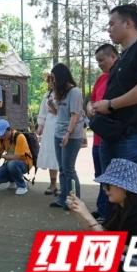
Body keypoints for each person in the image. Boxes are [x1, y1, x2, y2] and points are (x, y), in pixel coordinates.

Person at [91, 3, 137, 205]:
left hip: (134, 136)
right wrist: (99, 106)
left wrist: (111, 104)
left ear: (128, 23)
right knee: (115, 193)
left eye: (112, 23)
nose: (109, 28)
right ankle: (120, 232)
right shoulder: (122, 58)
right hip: (112, 135)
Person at [86, 44, 119, 221]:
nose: (99, 64)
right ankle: (102, 208)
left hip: (111, 136)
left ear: (113, 56)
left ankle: (110, 214)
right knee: (100, 176)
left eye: (102, 60)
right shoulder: (101, 79)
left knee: (110, 178)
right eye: (97, 60)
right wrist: (90, 107)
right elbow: (90, 100)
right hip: (98, 138)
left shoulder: (120, 77)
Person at [49, 63, 84, 210]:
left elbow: (75, 115)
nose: (53, 81)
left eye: (54, 77)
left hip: (71, 136)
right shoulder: (61, 92)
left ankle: (75, 201)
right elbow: (60, 114)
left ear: (61, 77)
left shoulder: (75, 92)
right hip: (59, 134)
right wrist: (52, 107)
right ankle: (63, 198)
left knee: (69, 169)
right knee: (62, 169)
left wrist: (68, 134)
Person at [0, 119, 33, 195]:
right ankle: (14, 180)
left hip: (25, 163)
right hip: (11, 164)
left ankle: (22, 186)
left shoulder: (19, 137)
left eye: (3, 134)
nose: (2, 136)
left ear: (9, 129)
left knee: (12, 164)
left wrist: (1, 155)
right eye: (0, 135)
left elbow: (17, 157)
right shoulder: (1, 139)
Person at [36, 71, 59, 195]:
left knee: (61, 155)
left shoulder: (65, 94)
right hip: (49, 127)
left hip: (61, 126)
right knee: (51, 154)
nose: (51, 83)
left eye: (53, 80)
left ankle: (67, 185)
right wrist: (40, 126)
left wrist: (55, 110)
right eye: (49, 81)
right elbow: (43, 111)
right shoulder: (47, 95)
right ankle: (53, 184)